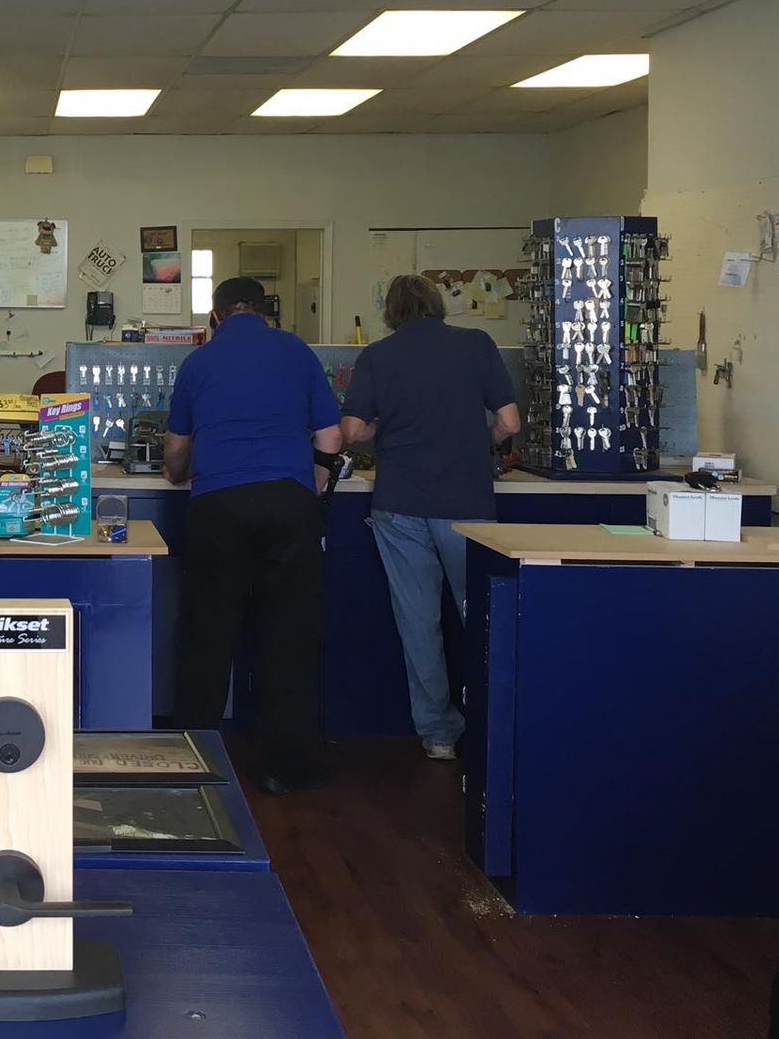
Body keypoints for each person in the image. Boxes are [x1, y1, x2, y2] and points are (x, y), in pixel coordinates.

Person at [164, 276, 343, 792]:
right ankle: (287, 768)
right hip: (287, 505)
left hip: (218, 504)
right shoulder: (297, 351)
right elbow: (331, 437)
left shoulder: (198, 362)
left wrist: (176, 473)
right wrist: (311, 483)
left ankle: (195, 762)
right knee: (289, 638)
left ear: (215, 316)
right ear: (267, 311)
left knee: (207, 635)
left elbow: (177, 447)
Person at [340, 274, 521, 760]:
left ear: (392, 312)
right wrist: (483, 442)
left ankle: (439, 735)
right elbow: (509, 422)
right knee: (482, 614)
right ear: (437, 304)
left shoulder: (378, 355)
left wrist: (383, 427)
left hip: (400, 503)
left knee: (419, 622)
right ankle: (495, 724)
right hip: (468, 504)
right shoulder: (477, 344)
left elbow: (352, 431)